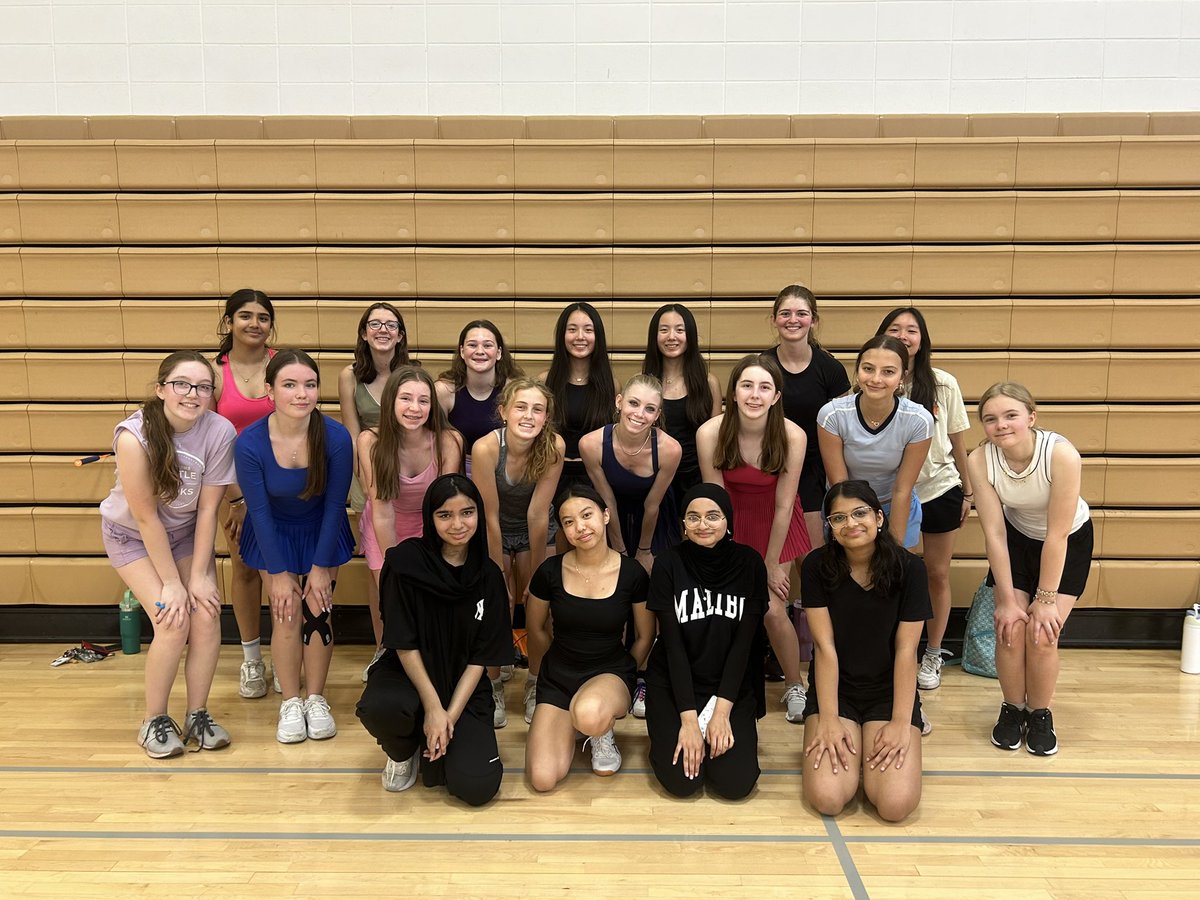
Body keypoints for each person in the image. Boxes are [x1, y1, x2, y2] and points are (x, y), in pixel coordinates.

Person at [100, 351, 237, 758]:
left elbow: (210, 509)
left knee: (207, 613)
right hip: (131, 536)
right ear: (161, 389)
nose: (192, 394)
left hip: (185, 534)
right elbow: (145, 520)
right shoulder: (133, 436)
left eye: (203, 386)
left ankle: (197, 713)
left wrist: (198, 576)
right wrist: (173, 585)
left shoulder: (220, 431)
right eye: (182, 384)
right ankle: (153, 719)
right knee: (173, 620)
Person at [356, 475, 512, 806]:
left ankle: (439, 735)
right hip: (410, 675)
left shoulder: (489, 577)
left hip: (462, 685)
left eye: (467, 513)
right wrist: (431, 708)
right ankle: (402, 750)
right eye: (445, 515)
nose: (458, 524)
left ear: (479, 515)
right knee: (380, 707)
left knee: (478, 786)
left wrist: (448, 716)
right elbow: (403, 643)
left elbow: (480, 659)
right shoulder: (404, 563)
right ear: (430, 517)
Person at [235, 350, 355, 745]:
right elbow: (259, 512)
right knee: (286, 614)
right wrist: (280, 574)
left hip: (322, 529)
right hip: (274, 534)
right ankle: (290, 701)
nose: (301, 393)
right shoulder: (250, 443)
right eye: (290, 385)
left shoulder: (335, 437)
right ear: (269, 391)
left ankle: (316, 698)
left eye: (309, 384)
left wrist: (321, 567)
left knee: (318, 612)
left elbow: (336, 505)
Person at [967, 383, 1093, 757]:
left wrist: (1046, 598)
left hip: (1067, 542)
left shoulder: (1061, 454)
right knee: (1009, 628)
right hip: (1017, 540)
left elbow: (1057, 535)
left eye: (1011, 416)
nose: (1001, 425)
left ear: (1031, 417)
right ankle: (1012, 709)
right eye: (990, 419)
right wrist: (1005, 598)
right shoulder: (980, 459)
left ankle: (1040, 713)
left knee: (1041, 634)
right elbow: (994, 533)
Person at [800, 481, 929, 823]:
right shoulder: (816, 566)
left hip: (888, 693)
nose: (851, 524)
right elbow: (824, 647)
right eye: (838, 518)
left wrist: (902, 722)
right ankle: (848, 738)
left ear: (878, 518)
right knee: (828, 798)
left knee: (895, 805)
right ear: (830, 527)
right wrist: (827, 718)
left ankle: (873, 742)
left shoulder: (910, 569)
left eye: (859, 514)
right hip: (837, 690)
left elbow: (906, 650)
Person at [696, 354, 810, 724]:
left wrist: (771, 564)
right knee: (723, 603)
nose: (755, 395)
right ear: (733, 392)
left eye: (764, 387)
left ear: (776, 396)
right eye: (747, 385)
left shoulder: (793, 435)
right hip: (729, 522)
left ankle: (795, 683)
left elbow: (784, 504)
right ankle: (716, 681)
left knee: (773, 608)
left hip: (775, 523)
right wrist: (721, 557)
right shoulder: (710, 432)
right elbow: (713, 503)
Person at [525, 485, 654, 789]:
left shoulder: (633, 573)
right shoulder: (550, 571)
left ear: (605, 515)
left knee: (589, 712)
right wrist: (546, 670)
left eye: (587, 515)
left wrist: (625, 673)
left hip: (609, 672)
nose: (580, 527)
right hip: (559, 675)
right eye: (569, 522)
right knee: (543, 779)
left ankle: (600, 726)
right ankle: (578, 719)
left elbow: (645, 636)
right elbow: (537, 629)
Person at [645, 484, 766, 800]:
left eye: (713, 516)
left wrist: (722, 713)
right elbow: (672, 645)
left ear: (728, 520)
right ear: (683, 523)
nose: (703, 525)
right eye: (693, 517)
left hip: (729, 685)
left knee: (734, 784)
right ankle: (666, 733)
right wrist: (687, 721)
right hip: (674, 683)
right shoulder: (668, 564)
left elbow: (744, 647)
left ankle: (717, 733)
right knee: (682, 782)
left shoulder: (750, 563)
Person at [876, 307, 973, 690]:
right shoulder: (873, 381)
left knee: (936, 573)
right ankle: (893, 649)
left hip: (937, 489)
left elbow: (959, 441)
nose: (903, 335)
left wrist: (968, 490)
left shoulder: (943, 384)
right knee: (891, 572)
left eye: (911, 330)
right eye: (894, 328)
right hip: (888, 494)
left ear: (922, 339)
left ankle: (932, 652)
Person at [358, 366, 463, 681]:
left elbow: (448, 507)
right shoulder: (371, 440)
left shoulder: (448, 440)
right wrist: (396, 565)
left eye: (423, 401)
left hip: (432, 525)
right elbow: (381, 508)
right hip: (385, 523)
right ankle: (386, 653)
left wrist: (435, 557)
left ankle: (432, 658)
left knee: (430, 597)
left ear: (433, 406)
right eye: (406, 399)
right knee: (391, 595)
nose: (414, 409)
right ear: (390, 401)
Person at [472, 378, 565, 728]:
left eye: (537, 409)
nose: (528, 415)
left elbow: (538, 514)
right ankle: (493, 684)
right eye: (521, 407)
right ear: (504, 412)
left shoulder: (553, 446)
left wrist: (538, 578)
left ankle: (536, 683)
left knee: (539, 608)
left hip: (535, 531)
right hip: (496, 527)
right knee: (497, 604)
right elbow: (489, 515)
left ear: (546, 418)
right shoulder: (485, 448)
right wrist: (498, 574)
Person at [337, 301, 412, 682]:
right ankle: (382, 649)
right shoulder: (349, 376)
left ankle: (411, 647)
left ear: (400, 335)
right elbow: (352, 434)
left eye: (391, 324)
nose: (383, 330)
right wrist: (363, 484)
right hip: (369, 479)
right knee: (376, 570)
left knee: (407, 568)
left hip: (407, 480)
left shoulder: (412, 375)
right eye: (375, 324)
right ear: (364, 332)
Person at [212, 288, 276, 700]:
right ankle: (252, 659)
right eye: (245, 316)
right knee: (246, 569)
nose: (254, 324)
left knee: (284, 571)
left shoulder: (282, 364)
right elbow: (207, 441)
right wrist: (237, 498)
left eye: (263, 317)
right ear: (229, 322)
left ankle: (290, 656)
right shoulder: (212, 372)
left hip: (280, 483)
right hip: (232, 488)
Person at [817, 335, 933, 549]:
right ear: (858, 370)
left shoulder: (919, 420)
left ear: (902, 376)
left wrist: (893, 548)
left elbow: (902, 490)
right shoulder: (832, 414)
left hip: (894, 504)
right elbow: (841, 486)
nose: (876, 379)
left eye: (888, 372)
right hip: (846, 506)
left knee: (892, 573)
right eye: (868, 369)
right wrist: (856, 525)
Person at [764, 285, 850, 550]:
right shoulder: (761, 366)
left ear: (813, 320)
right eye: (785, 313)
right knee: (772, 553)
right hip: (770, 464)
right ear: (774, 319)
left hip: (814, 468)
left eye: (801, 313)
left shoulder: (830, 369)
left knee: (812, 554)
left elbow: (844, 429)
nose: (793, 320)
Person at [580, 373, 683, 568]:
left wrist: (644, 550)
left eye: (650, 409)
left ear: (657, 415)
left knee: (654, 576)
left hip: (653, 518)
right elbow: (608, 501)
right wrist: (620, 550)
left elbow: (652, 506)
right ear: (619, 402)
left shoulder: (670, 450)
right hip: (610, 516)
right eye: (634, 403)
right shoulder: (590, 444)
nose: (639, 414)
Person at [536, 302, 620, 530]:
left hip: (596, 478)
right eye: (572, 329)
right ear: (562, 335)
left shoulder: (611, 385)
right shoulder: (546, 381)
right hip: (553, 476)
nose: (580, 336)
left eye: (588, 330)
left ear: (598, 336)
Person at [640, 303, 722, 503]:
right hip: (653, 480)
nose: (671, 337)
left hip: (698, 478)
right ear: (654, 336)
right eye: (664, 330)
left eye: (679, 330)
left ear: (690, 336)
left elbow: (717, 443)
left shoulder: (709, 383)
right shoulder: (643, 384)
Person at [436, 319, 518, 476]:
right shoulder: (443, 391)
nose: (480, 351)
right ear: (461, 351)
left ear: (499, 353)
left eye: (487, 345)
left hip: (502, 472)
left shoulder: (514, 391)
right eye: (472, 345)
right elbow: (433, 445)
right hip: (457, 471)